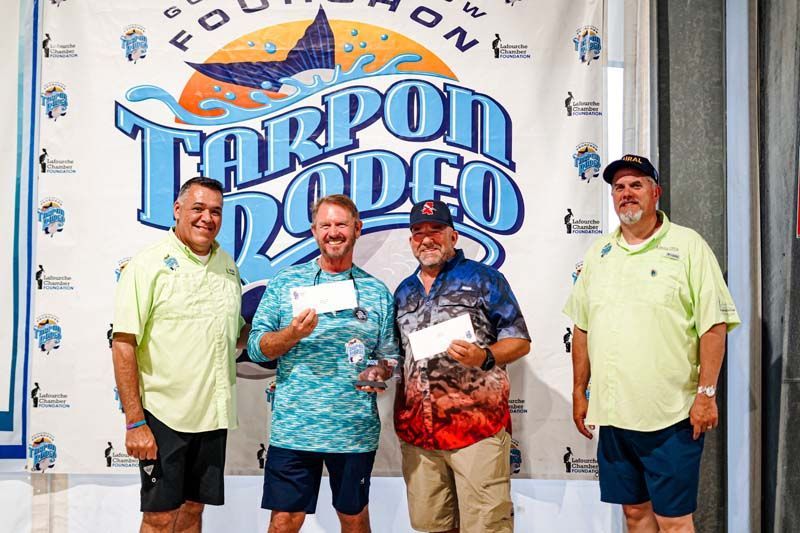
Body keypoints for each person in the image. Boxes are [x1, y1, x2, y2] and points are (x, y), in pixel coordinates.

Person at [563, 154, 741, 533]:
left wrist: (706, 394)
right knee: (634, 513)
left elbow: (714, 325)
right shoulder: (599, 255)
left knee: (674, 520)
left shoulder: (688, 246)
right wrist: (579, 391)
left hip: (671, 416)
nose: (626, 193)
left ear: (655, 193)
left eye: (636, 185)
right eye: (619, 187)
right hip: (613, 415)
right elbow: (582, 327)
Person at [247, 194, 398, 533]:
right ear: (314, 232)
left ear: (357, 229)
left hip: (353, 431)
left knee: (354, 519)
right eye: (325, 225)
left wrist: (381, 369)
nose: (333, 232)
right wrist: (292, 334)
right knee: (284, 522)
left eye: (341, 224)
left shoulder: (376, 291)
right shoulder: (287, 283)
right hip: (295, 430)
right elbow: (257, 349)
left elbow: (391, 354)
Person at [112, 176, 246, 533]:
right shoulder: (147, 265)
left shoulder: (227, 267)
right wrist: (135, 422)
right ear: (177, 210)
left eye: (216, 211)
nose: (207, 218)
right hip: (164, 416)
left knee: (193, 511)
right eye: (198, 208)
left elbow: (237, 332)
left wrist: (285, 331)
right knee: (159, 518)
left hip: (212, 416)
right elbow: (123, 343)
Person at [394, 199, 531, 533]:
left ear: (453, 236)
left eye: (435, 230)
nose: (426, 239)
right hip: (420, 437)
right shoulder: (403, 292)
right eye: (418, 233)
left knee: (486, 527)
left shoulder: (485, 279)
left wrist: (482, 357)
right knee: (430, 526)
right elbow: (398, 355)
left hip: (476, 430)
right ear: (411, 241)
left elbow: (519, 340)